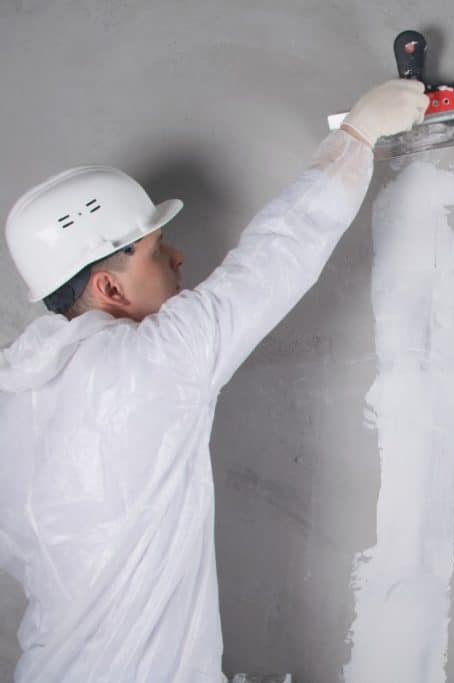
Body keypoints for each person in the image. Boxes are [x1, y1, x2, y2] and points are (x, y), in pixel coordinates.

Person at [0, 79, 428, 682]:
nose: (178, 258)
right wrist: (357, 136)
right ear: (109, 288)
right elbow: (276, 254)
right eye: (156, 249)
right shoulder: (150, 365)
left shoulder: (16, 396)